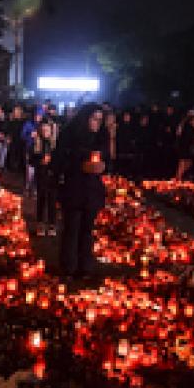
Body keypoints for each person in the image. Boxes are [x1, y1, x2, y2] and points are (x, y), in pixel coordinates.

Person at [54, 104, 107, 279]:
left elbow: (108, 160)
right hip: (73, 190)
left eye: (100, 120)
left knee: (87, 230)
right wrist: (79, 166)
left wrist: (103, 166)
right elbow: (59, 161)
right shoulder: (69, 134)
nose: (96, 123)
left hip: (92, 191)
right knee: (72, 229)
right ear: (85, 118)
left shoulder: (100, 137)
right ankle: (69, 266)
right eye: (94, 119)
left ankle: (85, 267)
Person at [31, 120, 58, 236]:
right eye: (43, 129)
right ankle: (40, 224)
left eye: (47, 129)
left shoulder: (56, 144)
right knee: (41, 199)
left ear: (51, 130)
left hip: (53, 175)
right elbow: (31, 160)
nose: (45, 132)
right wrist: (40, 161)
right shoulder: (36, 143)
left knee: (52, 201)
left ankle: (52, 224)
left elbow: (61, 159)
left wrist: (53, 163)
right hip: (41, 174)